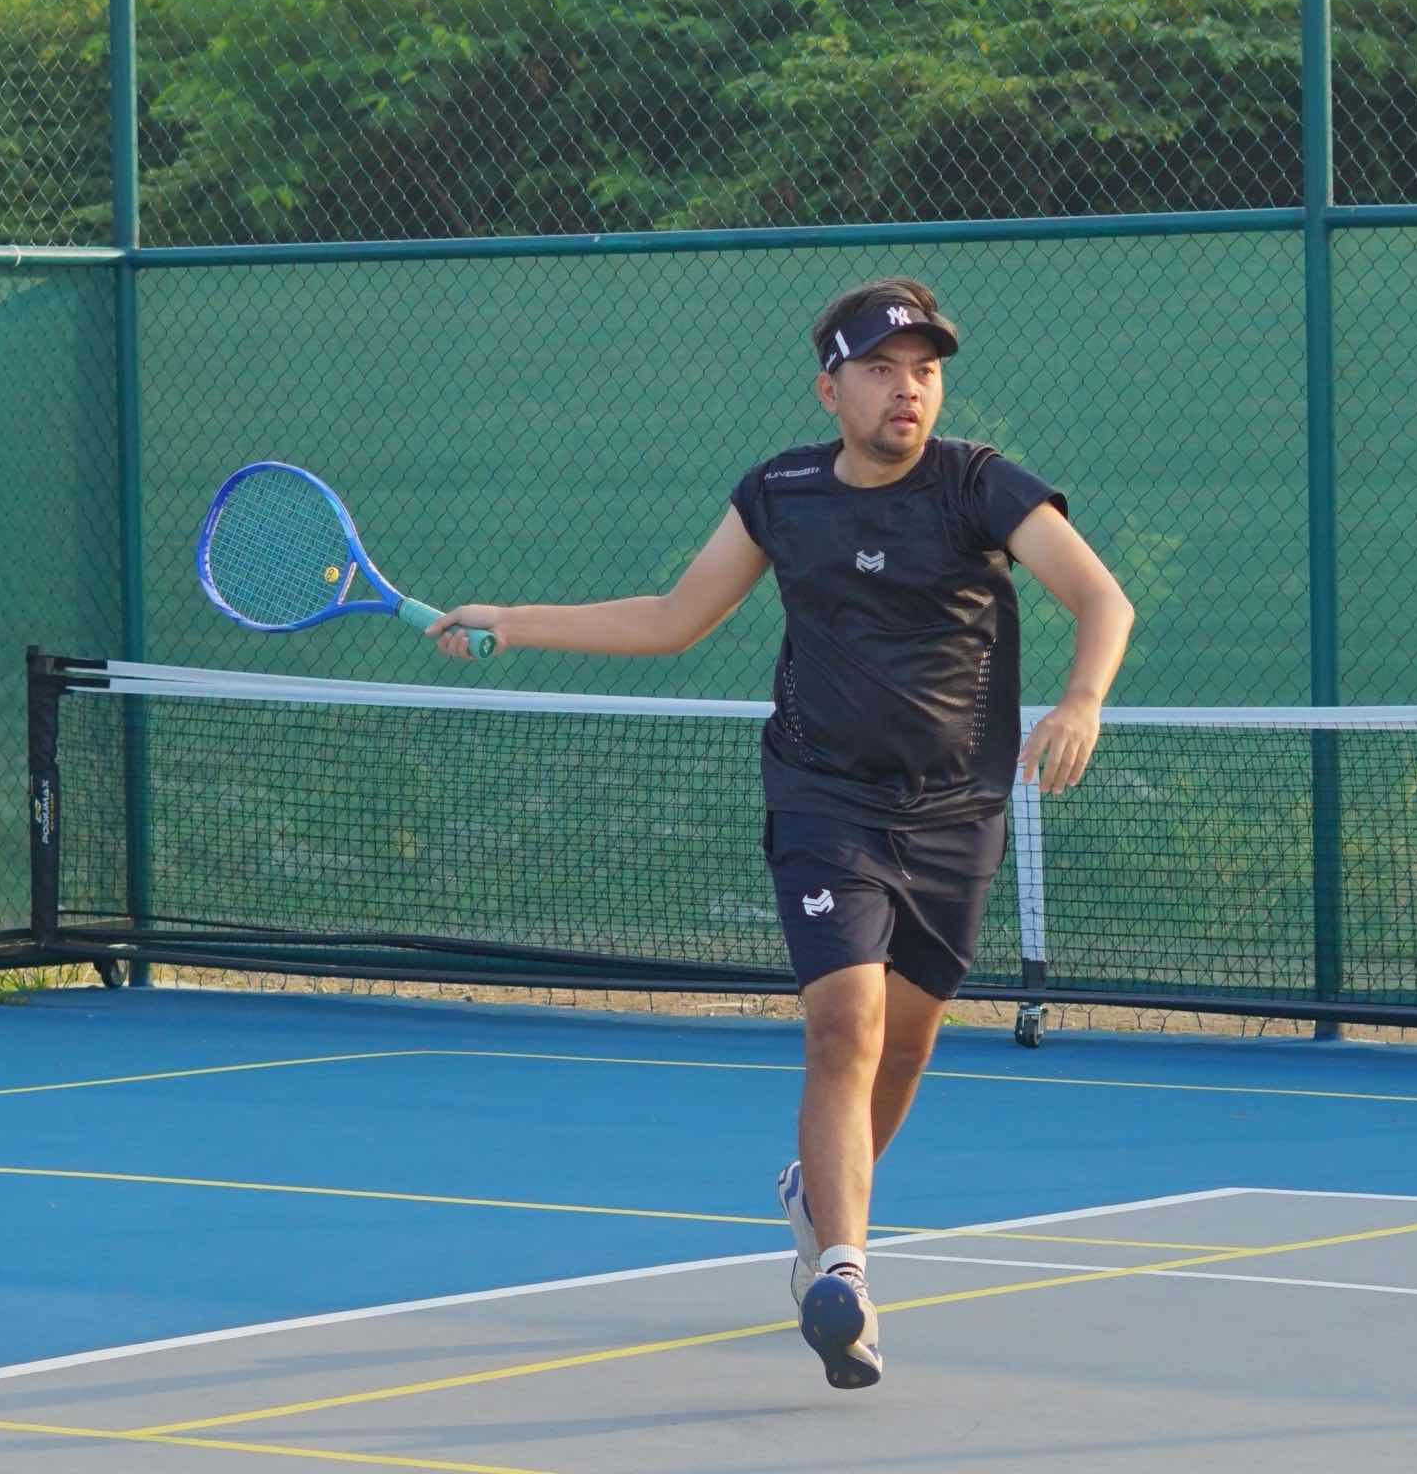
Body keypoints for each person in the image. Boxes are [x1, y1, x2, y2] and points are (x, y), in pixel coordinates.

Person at [429, 276, 1134, 1391]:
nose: (908, 391)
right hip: (823, 799)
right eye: (881, 370)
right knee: (845, 1024)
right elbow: (673, 618)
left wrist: (1082, 699)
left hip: (957, 810)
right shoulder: (780, 494)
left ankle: (816, 1197)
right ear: (829, 390)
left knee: (907, 1046)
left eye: (925, 371)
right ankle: (842, 1274)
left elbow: (1103, 600)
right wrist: (511, 621)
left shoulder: (981, 484)